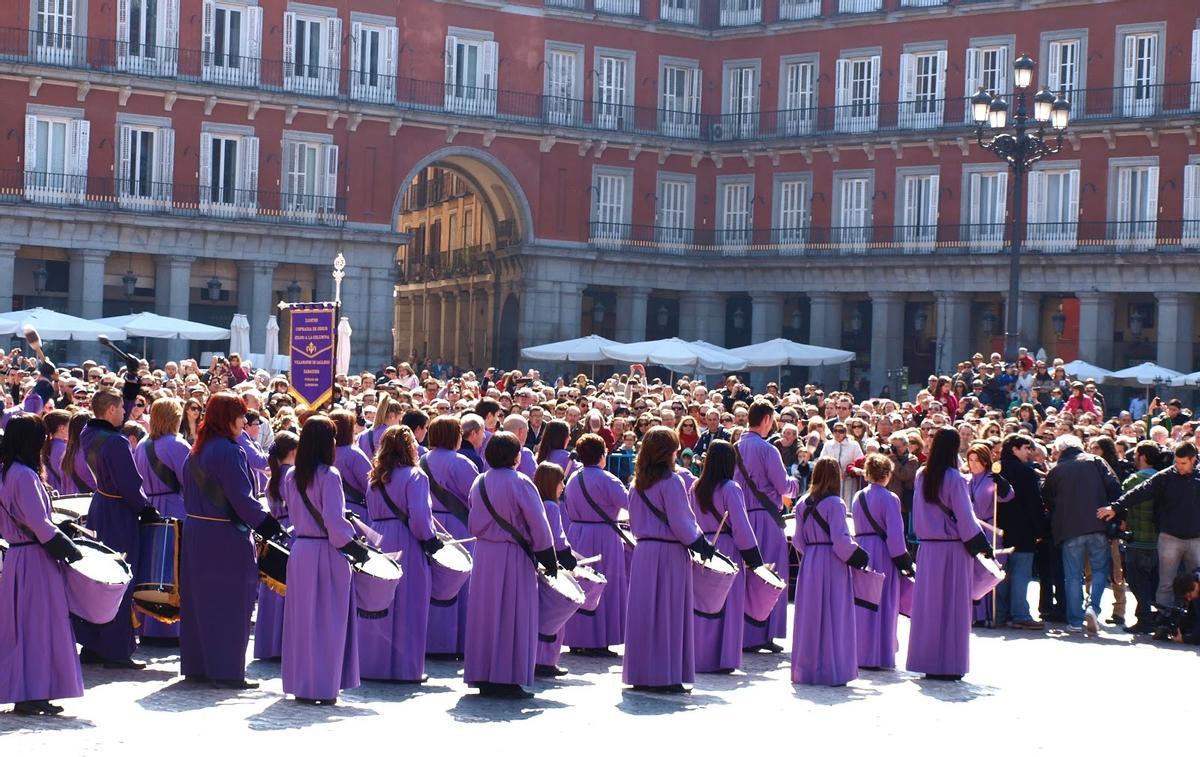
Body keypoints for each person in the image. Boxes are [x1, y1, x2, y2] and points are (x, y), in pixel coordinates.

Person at [179, 393, 282, 688]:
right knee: (231, 603)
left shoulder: (195, 451)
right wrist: (268, 525)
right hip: (225, 535)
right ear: (228, 418)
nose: (244, 420)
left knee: (199, 602)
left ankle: (198, 665)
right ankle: (225, 670)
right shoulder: (230, 451)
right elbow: (242, 499)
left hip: (197, 532)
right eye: (240, 415)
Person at [0, 414, 84, 715]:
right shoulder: (24, 475)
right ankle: (34, 691)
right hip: (36, 558)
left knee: (20, 630)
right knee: (40, 627)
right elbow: (40, 523)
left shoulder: (5, 472)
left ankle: (26, 690)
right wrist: (71, 550)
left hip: (17, 558)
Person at [282, 415, 369, 705]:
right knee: (328, 622)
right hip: (327, 551)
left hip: (301, 551)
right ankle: (323, 685)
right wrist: (355, 547)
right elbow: (334, 520)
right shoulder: (329, 475)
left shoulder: (291, 475)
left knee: (302, 622)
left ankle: (302, 682)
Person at [463, 432, 557, 699]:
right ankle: (508, 677)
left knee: (485, 616)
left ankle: (482, 674)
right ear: (516, 455)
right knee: (513, 614)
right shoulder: (521, 482)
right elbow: (538, 524)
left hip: (484, 554)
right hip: (513, 554)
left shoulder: (479, 481)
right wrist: (548, 557)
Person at [622, 426, 714, 694]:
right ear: (668, 452)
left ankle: (641, 673)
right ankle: (667, 675)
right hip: (670, 553)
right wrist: (702, 545)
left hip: (644, 553)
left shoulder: (636, 484)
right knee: (669, 615)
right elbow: (683, 523)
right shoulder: (672, 482)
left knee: (644, 615)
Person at [75, 382, 155, 670]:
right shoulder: (118, 442)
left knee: (97, 580)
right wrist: (145, 509)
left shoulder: (88, 433)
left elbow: (107, 423)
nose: (126, 412)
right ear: (110, 410)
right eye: (122, 407)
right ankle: (117, 650)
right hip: (120, 512)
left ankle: (94, 645)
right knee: (120, 580)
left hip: (100, 508)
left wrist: (130, 386)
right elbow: (131, 484)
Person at [906, 428, 992, 681]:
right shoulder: (955, 478)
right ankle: (949, 662)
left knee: (929, 608)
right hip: (953, 548)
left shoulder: (922, 475)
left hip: (928, 549)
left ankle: (927, 660)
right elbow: (966, 519)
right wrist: (982, 547)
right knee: (953, 607)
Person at [359, 425, 443, 683]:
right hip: (407, 541)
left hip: (379, 538)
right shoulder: (416, 476)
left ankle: (372, 665)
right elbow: (419, 516)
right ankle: (406, 669)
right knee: (410, 605)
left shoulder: (374, 477)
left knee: (379, 603)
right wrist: (430, 541)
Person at [791, 457, 869, 686]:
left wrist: (813, 552)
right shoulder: (836, 503)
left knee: (810, 617)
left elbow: (797, 540)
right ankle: (832, 670)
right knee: (835, 616)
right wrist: (860, 557)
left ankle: (806, 671)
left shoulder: (802, 503)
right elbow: (841, 541)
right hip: (833, 562)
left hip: (811, 561)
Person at [1102, 441, 1200, 616]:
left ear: (1193, 460)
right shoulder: (1166, 476)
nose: (1178, 466)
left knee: (1197, 584)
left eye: (1183, 463)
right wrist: (1115, 507)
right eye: (1176, 462)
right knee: (1166, 583)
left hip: (1196, 539)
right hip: (1170, 537)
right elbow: (1141, 490)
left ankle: (1195, 623)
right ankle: (1164, 622)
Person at [691, 440, 762, 674]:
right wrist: (754, 558)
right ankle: (723, 658)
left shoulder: (695, 487)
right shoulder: (731, 488)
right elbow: (741, 526)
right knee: (728, 605)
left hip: (702, 547)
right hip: (727, 547)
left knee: (704, 605)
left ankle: (699, 656)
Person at [734, 400, 800, 653]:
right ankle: (764, 633)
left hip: (743, 518)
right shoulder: (768, 449)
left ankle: (743, 631)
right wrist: (795, 482)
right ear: (766, 420)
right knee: (770, 575)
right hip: (766, 517)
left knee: (747, 574)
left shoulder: (736, 448)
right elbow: (784, 487)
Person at [1043, 435, 1122, 634]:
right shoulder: (1096, 461)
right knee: (1099, 570)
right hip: (1098, 523)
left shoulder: (1056, 470)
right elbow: (1114, 487)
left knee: (1072, 576)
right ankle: (1093, 608)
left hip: (1069, 529)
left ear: (1061, 450)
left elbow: (1047, 498)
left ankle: (1076, 621)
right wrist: (1115, 513)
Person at [561, 433, 629, 657]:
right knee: (603, 585)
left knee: (580, 583)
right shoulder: (607, 478)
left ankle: (575, 637)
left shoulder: (572, 478)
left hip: (577, 532)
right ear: (603, 454)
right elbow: (629, 503)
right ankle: (598, 640)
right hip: (604, 535)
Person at [132, 397, 191, 644]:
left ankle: (148, 627)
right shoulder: (177, 444)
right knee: (175, 571)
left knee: (152, 569)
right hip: (176, 509)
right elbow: (190, 481)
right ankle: (171, 629)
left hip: (149, 510)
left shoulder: (142, 444)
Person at [421, 415, 479, 658]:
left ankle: (431, 641)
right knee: (461, 582)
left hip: (431, 524)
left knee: (433, 582)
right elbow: (476, 497)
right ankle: (457, 643)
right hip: (458, 526)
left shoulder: (422, 460)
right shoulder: (462, 462)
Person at [851, 454, 913, 670]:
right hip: (884, 552)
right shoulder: (891, 498)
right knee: (884, 603)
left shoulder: (858, 497)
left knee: (862, 603)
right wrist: (904, 562)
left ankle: (860, 652)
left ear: (867, 474)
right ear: (888, 474)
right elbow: (895, 535)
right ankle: (880, 654)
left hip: (862, 549)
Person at [253, 431, 299, 661]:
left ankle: (269, 645)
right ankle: (285, 645)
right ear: (293, 451)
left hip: (275, 534)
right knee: (288, 589)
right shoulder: (292, 475)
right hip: (292, 532)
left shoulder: (273, 477)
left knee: (272, 591)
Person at [996, 434, 1048, 630]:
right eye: (1026, 448)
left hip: (999, 530)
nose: (1030, 452)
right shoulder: (1026, 472)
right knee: (1020, 574)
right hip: (1023, 531)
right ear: (1014, 448)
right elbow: (1034, 504)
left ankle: (1000, 613)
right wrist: (1040, 530)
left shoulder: (996, 469)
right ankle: (1019, 614)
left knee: (1001, 574)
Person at [533, 461, 578, 678]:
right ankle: (546, 660)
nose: (564, 486)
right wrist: (569, 558)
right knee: (553, 616)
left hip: (536, 563)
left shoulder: (536, 502)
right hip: (551, 563)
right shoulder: (551, 506)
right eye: (561, 481)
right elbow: (556, 537)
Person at [964, 443, 1013, 627]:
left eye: (977, 460)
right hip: (970, 528)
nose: (974, 464)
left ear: (985, 461)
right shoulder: (965, 480)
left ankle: (989, 613)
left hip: (989, 527)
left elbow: (1008, 496)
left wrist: (1002, 484)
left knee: (988, 569)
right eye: (971, 460)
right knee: (972, 570)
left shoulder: (991, 478)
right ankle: (974, 613)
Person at [330, 409, 372, 522]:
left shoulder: (323, 453)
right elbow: (371, 485)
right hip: (355, 512)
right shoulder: (354, 453)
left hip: (331, 511)